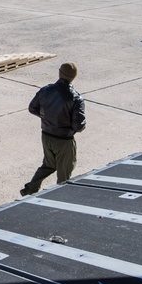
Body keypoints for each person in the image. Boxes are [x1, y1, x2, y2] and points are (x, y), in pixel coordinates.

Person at [20, 62, 86, 196]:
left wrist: (48, 118)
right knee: (64, 174)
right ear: (74, 77)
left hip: (46, 136)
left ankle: (30, 188)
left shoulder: (45, 90)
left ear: (60, 73)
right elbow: (79, 125)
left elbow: (32, 108)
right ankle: (60, 198)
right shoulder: (76, 98)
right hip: (64, 141)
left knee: (49, 164)